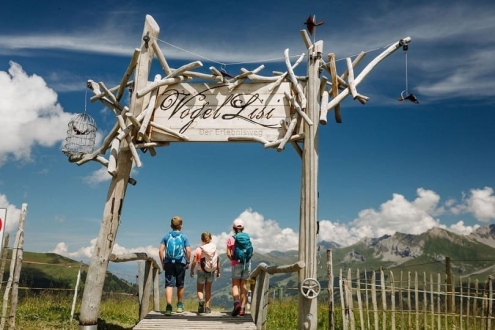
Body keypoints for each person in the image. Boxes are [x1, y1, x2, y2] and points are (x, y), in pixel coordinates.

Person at [159, 216, 191, 316]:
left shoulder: (166, 236)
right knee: (180, 284)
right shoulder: (184, 237)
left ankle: (168, 307)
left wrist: (163, 263)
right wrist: (188, 262)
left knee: (169, 285)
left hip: (168, 263)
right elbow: (188, 251)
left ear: (171, 226)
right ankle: (179, 306)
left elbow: (160, 251)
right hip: (180, 262)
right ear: (181, 226)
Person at [227, 218, 253, 317]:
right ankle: (242, 308)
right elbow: (251, 252)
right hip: (246, 263)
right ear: (243, 228)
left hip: (236, 263)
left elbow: (228, 254)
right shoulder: (247, 238)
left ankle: (236, 303)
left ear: (233, 228)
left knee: (235, 285)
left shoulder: (231, 239)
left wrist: (233, 260)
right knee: (244, 285)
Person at [190, 232, 220, 313]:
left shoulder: (199, 249)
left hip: (201, 271)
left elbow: (194, 261)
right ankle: (207, 308)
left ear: (202, 239)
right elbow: (217, 261)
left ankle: (201, 300)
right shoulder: (215, 249)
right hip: (211, 271)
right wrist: (218, 271)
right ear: (210, 239)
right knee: (208, 290)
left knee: (200, 289)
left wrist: (192, 270)